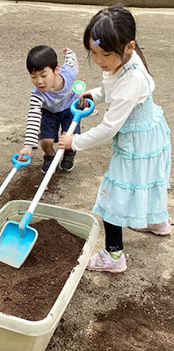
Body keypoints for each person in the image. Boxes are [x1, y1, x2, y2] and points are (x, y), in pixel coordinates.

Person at [59, 5, 171, 273]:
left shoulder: (133, 79)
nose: (98, 59)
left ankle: (114, 255)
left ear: (129, 47)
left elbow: (109, 127)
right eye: (93, 52)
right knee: (148, 180)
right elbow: (111, 88)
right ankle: (158, 222)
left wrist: (75, 142)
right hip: (148, 134)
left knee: (112, 199)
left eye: (104, 53)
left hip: (136, 143)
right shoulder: (122, 61)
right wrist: (93, 94)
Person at [18, 45, 81, 173]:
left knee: (68, 137)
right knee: (46, 141)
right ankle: (50, 156)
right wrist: (28, 145)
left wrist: (69, 52)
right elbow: (33, 117)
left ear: (56, 69)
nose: (39, 81)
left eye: (43, 75)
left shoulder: (69, 73)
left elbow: (72, 61)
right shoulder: (37, 94)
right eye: (33, 77)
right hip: (50, 112)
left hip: (70, 110)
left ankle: (69, 154)